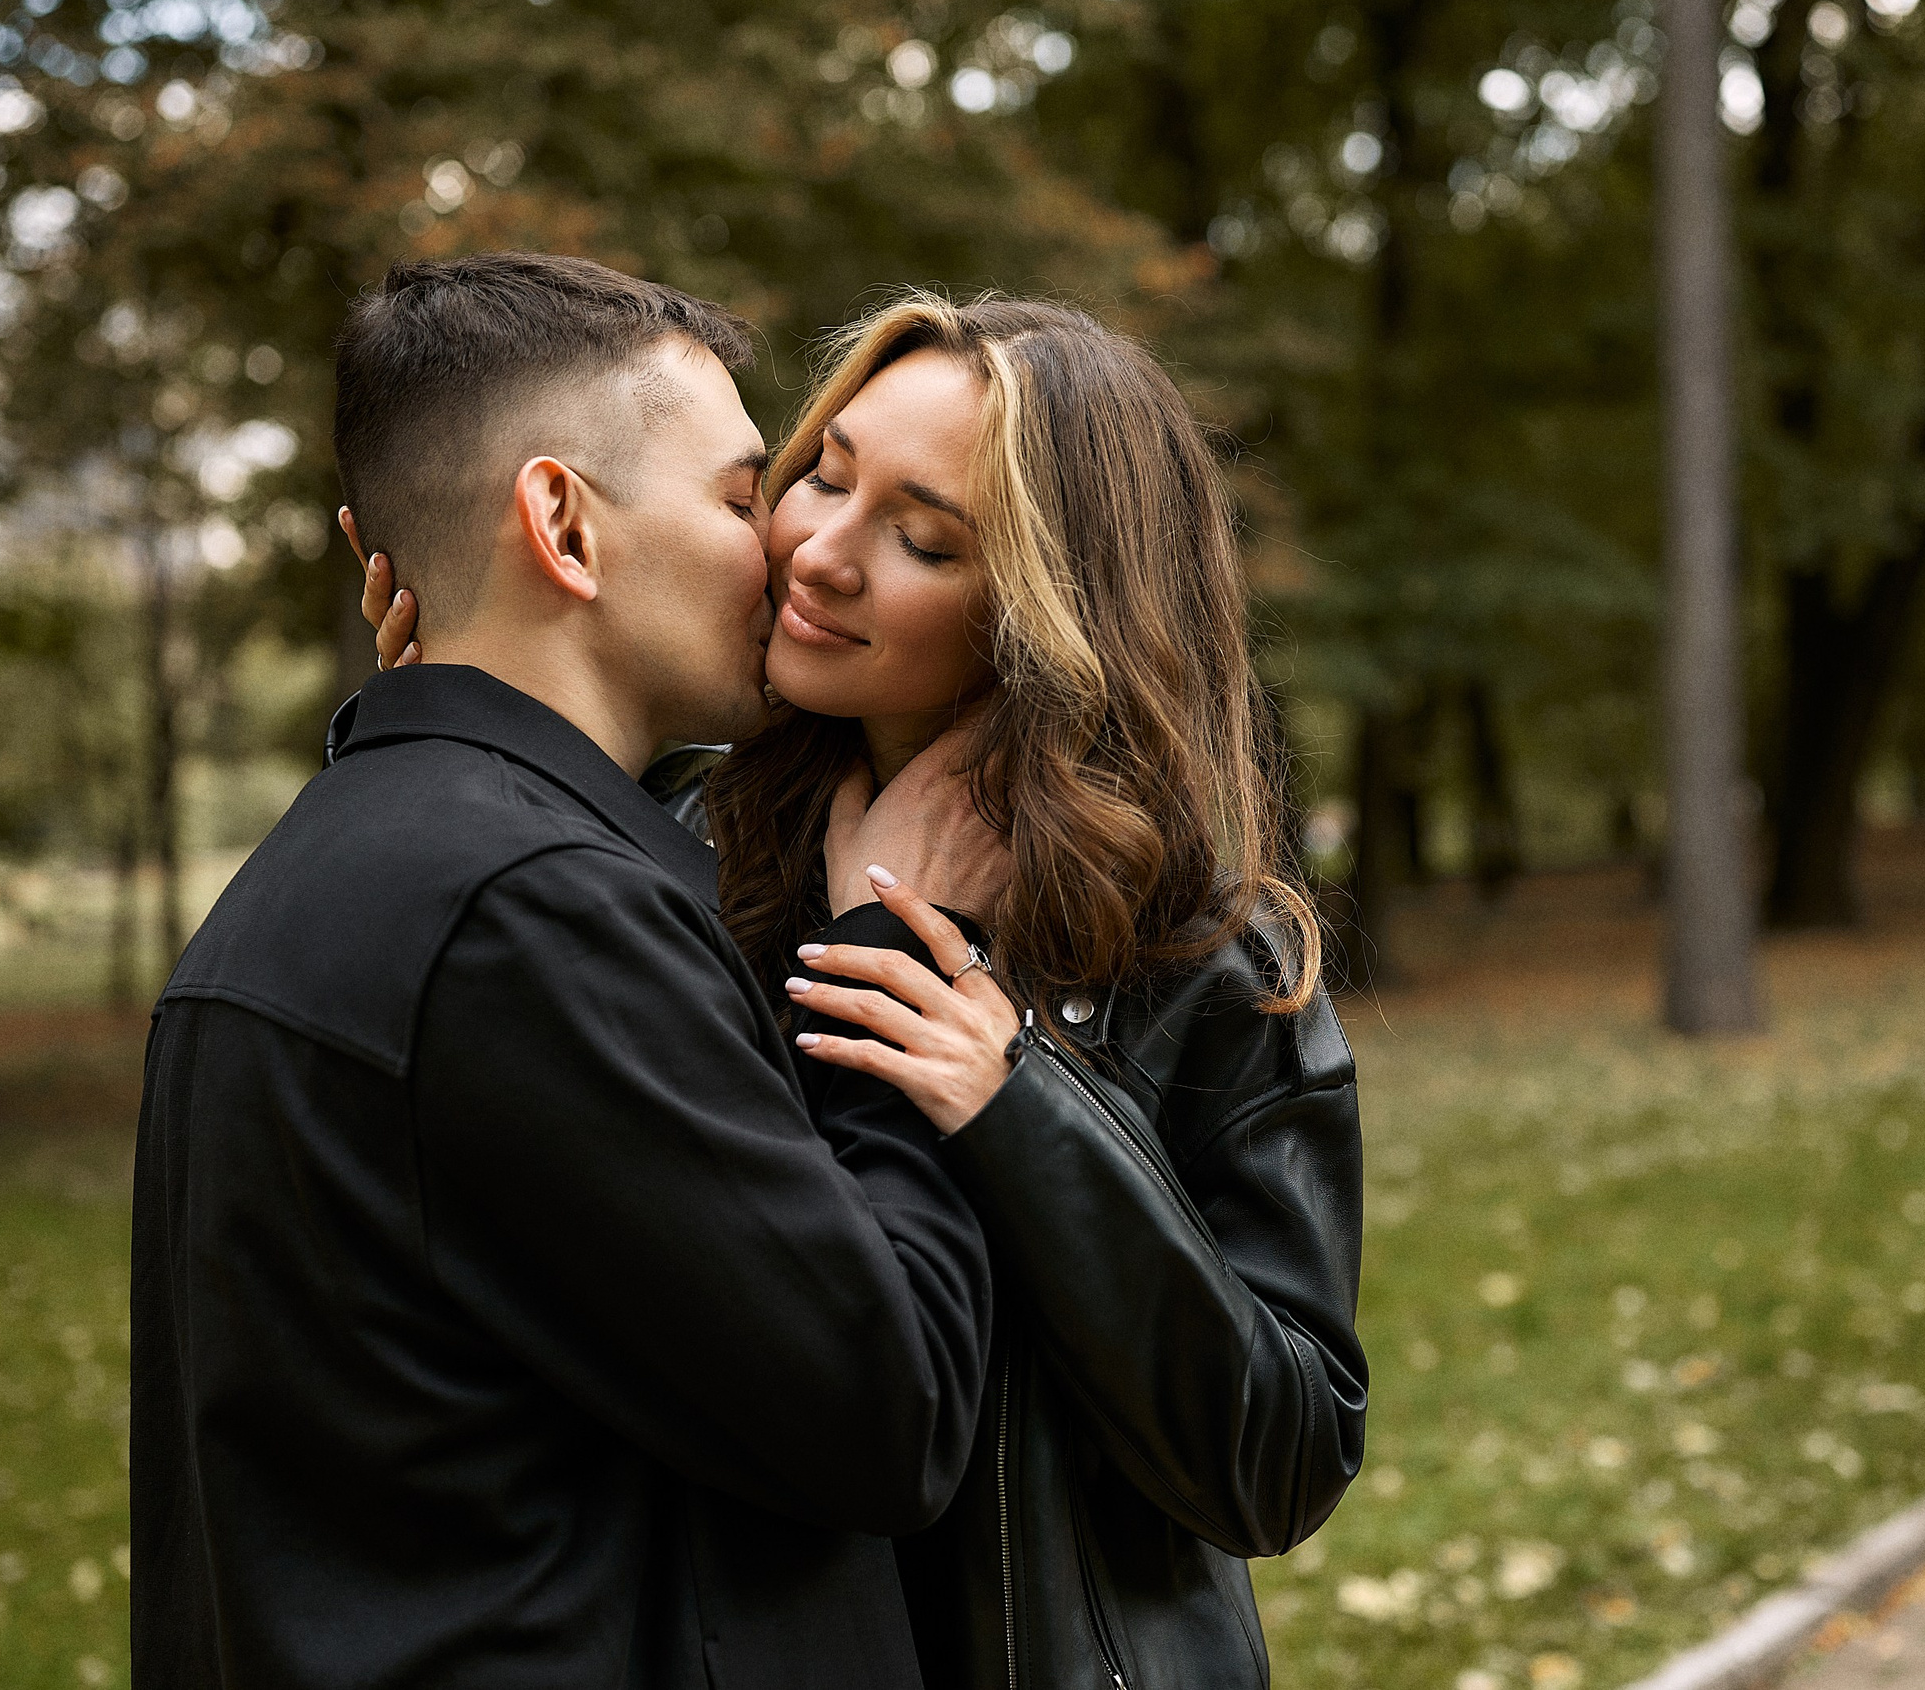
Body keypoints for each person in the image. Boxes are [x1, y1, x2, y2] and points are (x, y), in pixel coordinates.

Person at [370, 292, 1368, 1688]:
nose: (821, 554)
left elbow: (1285, 1462)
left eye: (925, 540)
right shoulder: (677, 854)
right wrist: (463, 727)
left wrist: (1019, 1106)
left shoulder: (1198, 953)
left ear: (1047, 613)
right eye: (822, 478)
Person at [131, 254, 1005, 1690]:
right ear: (562, 524)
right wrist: (890, 950)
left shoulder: (331, 869)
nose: (785, 552)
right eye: (742, 498)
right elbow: (890, 1410)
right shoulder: (533, 917)